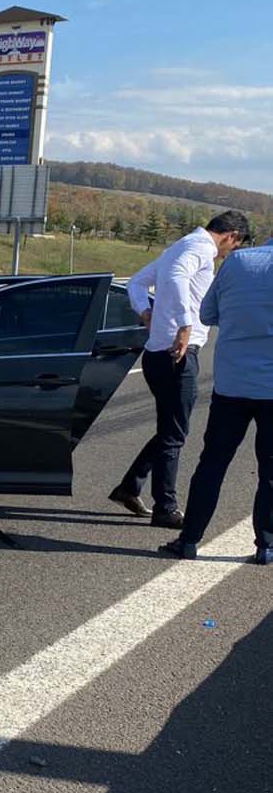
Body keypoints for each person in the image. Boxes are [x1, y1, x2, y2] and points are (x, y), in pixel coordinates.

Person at [109, 210, 251, 527]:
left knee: (171, 430)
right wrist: (185, 325)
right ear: (231, 236)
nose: (228, 254)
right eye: (234, 246)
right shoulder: (201, 248)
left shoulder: (179, 246)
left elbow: (137, 282)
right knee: (174, 434)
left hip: (158, 354)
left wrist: (145, 311)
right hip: (177, 354)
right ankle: (165, 507)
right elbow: (175, 278)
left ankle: (129, 487)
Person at [160, 240, 273, 564]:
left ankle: (189, 539)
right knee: (270, 471)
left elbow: (207, 313)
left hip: (232, 384)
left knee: (212, 463)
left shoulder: (238, 261)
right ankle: (266, 546)